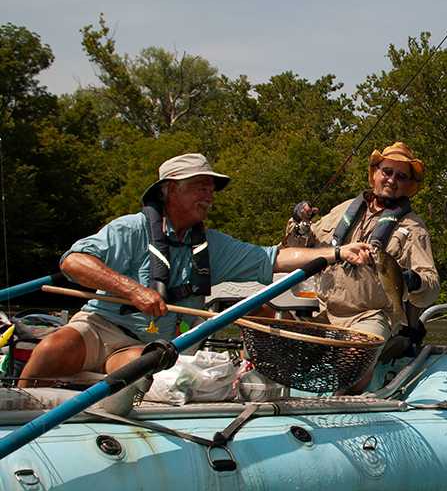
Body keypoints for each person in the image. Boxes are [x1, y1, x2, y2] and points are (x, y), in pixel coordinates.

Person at [18, 153, 371, 388]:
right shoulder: (130, 229)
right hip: (99, 327)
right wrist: (133, 291)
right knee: (52, 348)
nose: (210, 198)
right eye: (202, 188)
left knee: (141, 369)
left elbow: (274, 259)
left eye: (211, 190)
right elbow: (73, 262)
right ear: (172, 190)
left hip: (148, 344)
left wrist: (336, 252)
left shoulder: (213, 246)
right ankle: (19, 412)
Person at [288, 142, 440, 394]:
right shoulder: (343, 210)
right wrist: (298, 223)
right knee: (257, 309)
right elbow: (299, 248)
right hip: (319, 310)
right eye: (387, 171)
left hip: (368, 317)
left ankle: (336, 406)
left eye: (401, 176)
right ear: (375, 173)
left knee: (356, 359)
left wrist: (412, 280)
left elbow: (432, 286)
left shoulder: (414, 227)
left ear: (408, 185)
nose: (392, 179)